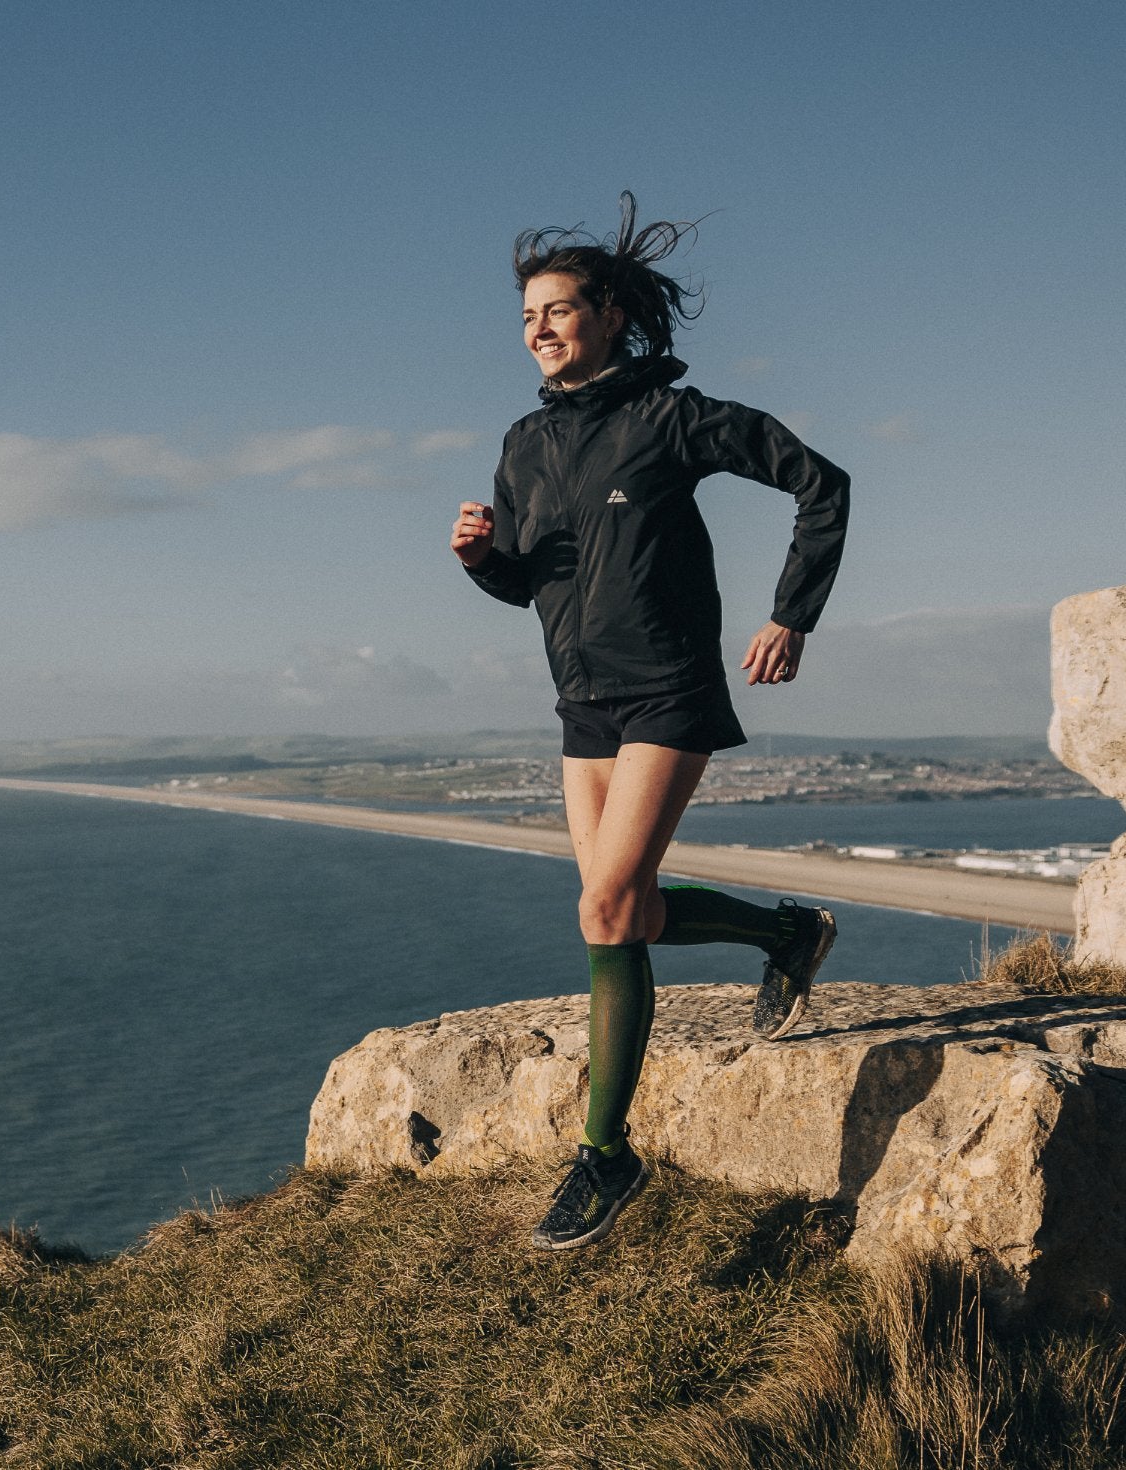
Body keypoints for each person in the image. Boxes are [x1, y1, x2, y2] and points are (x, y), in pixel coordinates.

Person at [448, 195, 849, 1251]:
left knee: (610, 903)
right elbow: (530, 584)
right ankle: (786, 932)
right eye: (527, 313)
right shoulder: (524, 444)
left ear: (613, 314)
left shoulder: (674, 419)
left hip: (668, 686)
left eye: (559, 308)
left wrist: (789, 616)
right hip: (581, 700)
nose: (538, 327)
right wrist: (484, 560)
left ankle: (606, 1153)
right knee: (613, 910)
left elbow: (822, 485)